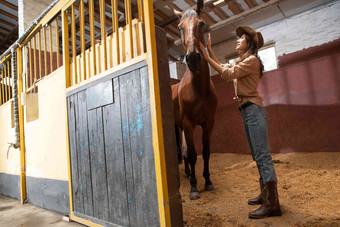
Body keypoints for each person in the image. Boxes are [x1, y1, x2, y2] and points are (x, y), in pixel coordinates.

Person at [199, 26, 281, 219]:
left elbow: (226, 74)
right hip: (248, 112)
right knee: (258, 156)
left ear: (249, 44)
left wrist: (206, 56)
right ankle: (266, 194)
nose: (238, 40)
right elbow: (226, 69)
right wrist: (210, 51)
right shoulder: (243, 62)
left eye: (241, 39)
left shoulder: (252, 61)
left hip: (253, 111)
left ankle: (272, 204)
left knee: (263, 157)